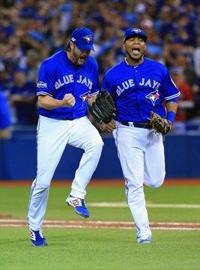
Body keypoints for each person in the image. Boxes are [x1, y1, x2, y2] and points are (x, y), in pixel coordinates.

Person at [27, 27, 107, 247]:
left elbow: (91, 96)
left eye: (88, 50)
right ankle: (35, 227)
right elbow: (42, 101)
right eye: (82, 49)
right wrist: (61, 102)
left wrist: (98, 112)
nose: (85, 54)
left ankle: (76, 194)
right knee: (43, 182)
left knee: (96, 144)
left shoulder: (91, 64)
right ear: (71, 44)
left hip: (79, 120)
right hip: (52, 124)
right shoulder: (51, 65)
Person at [102, 28, 180, 244]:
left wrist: (170, 119)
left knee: (156, 180)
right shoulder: (112, 75)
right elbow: (102, 105)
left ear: (145, 46)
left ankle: (132, 178)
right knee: (135, 183)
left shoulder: (159, 70)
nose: (137, 43)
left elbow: (172, 97)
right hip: (126, 130)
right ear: (124, 45)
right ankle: (143, 231)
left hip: (154, 131)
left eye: (140, 40)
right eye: (132, 40)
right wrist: (105, 120)